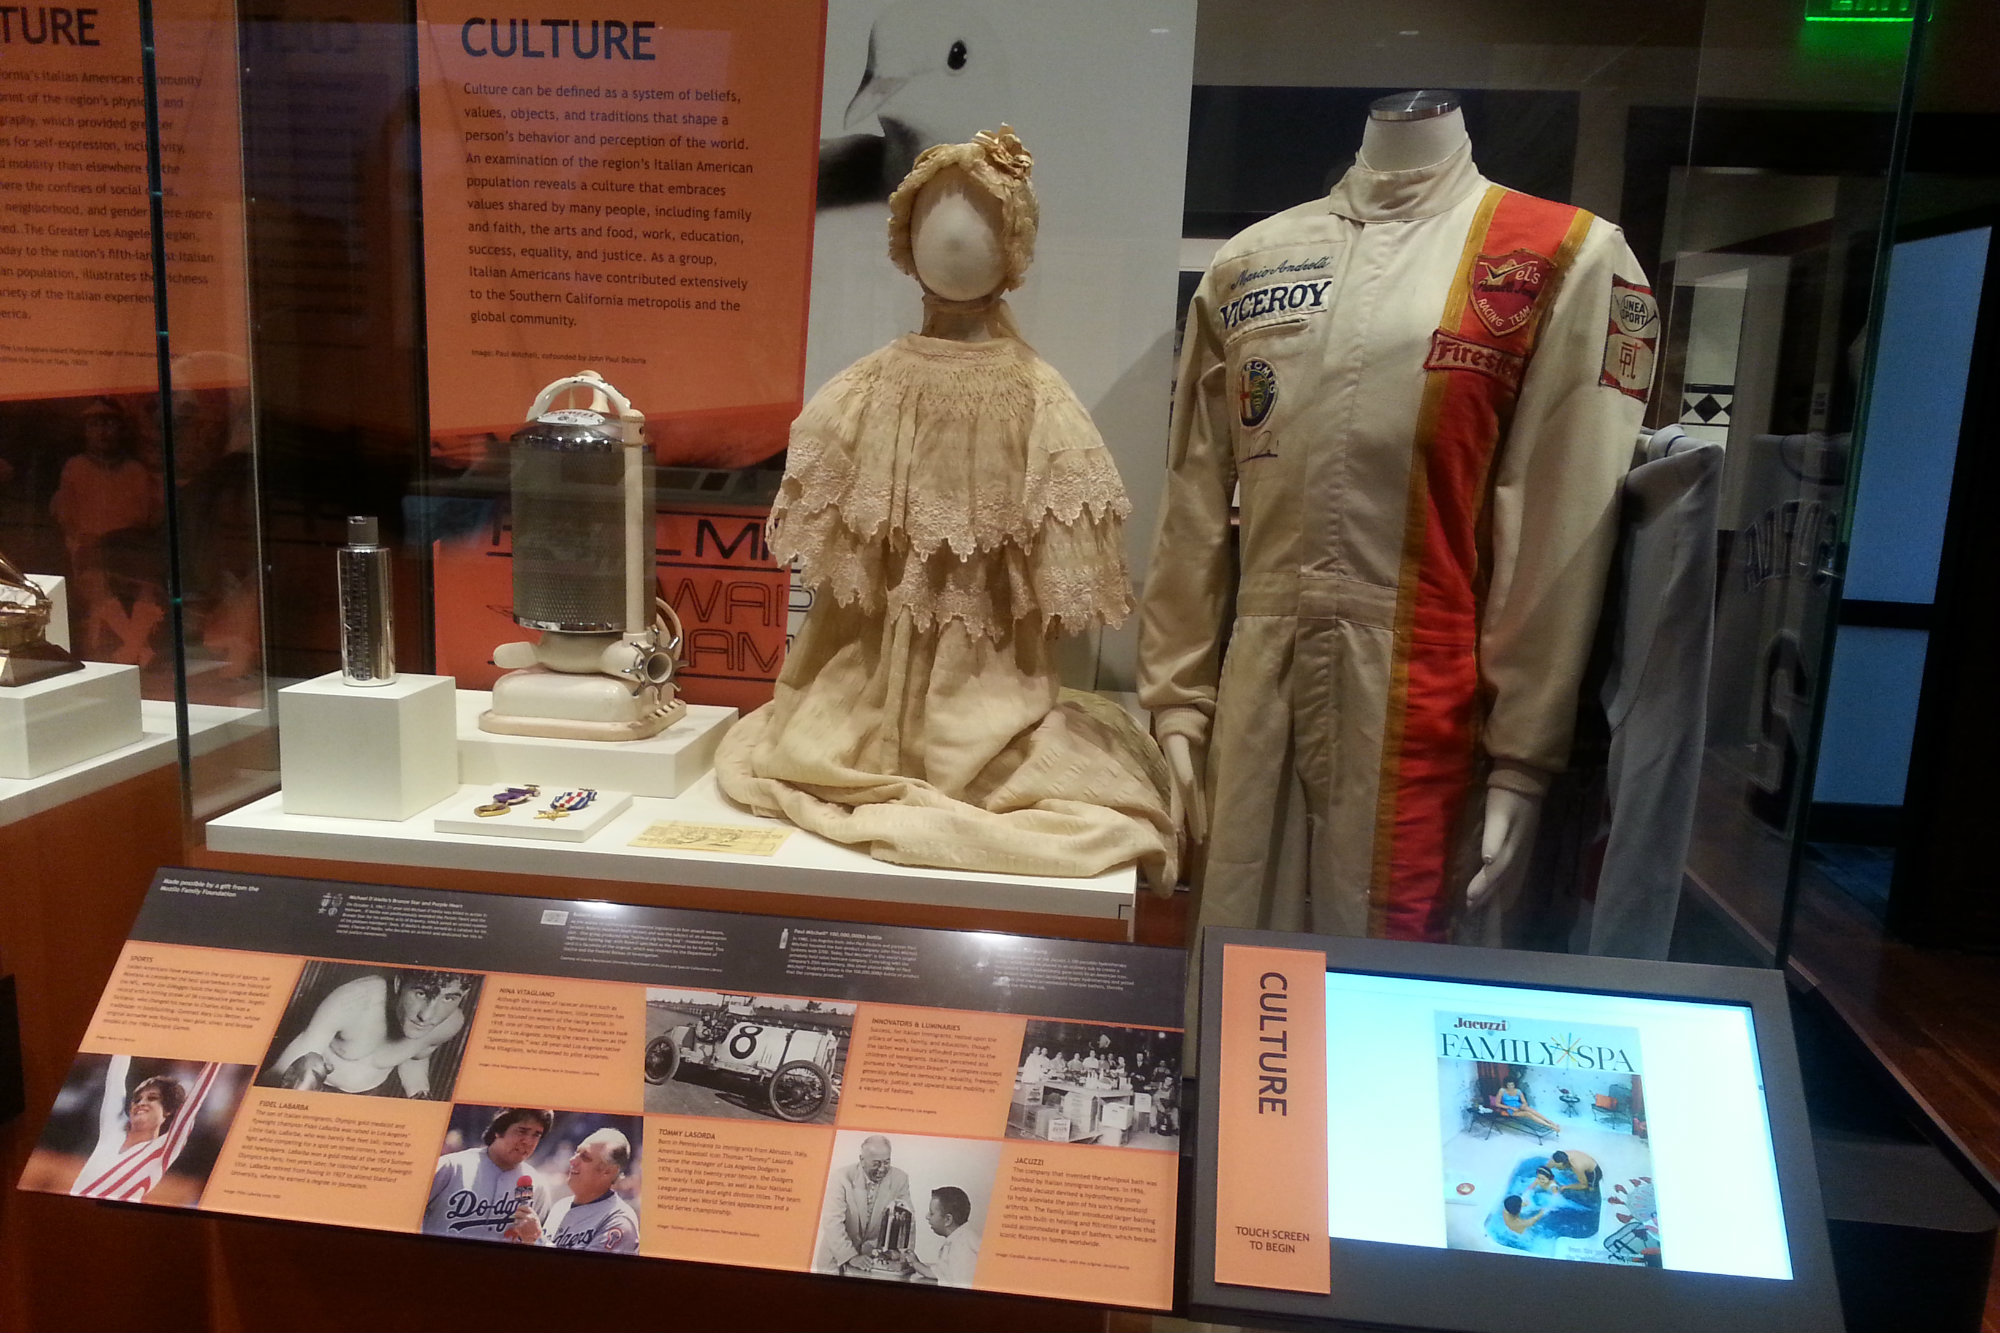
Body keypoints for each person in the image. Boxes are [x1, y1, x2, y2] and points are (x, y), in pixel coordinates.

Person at [260, 968, 476, 1098]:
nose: (427, 1016)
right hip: (311, 1093)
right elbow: (286, 1067)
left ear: (463, 995)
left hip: (365, 1101)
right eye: (420, 994)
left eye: (449, 998)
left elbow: (416, 1056)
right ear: (400, 984)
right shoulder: (355, 999)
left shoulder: (451, 1023)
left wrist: (419, 1095)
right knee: (308, 1067)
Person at [70, 1055, 222, 1202]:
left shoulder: (162, 1151)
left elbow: (191, 1106)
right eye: (137, 1099)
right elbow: (115, 1079)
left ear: (167, 1111)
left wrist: (217, 1060)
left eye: (152, 1098)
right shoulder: (112, 1128)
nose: (141, 1103)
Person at [423, 1108, 553, 1240]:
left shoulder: (538, 1186)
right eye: (522, 1131)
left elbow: (544, 1246)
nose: (528, 1141)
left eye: (536, 1134)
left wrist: (534, 1238)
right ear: (499, 1131)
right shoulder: (451, 1167)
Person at [510, 1128, 640, 1254]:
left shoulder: (619, 1220)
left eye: (585, 1157)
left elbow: (587, 1273)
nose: (572, 1161)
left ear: (608, 1171)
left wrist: (536, 1240)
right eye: (576, 1153)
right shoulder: (560, 1207)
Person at [816, 1135, 913, 1273]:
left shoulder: (900, 1179)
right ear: (862, 1160)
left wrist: (900, 1254)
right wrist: (852, 1257)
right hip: (835, 1259)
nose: (882, 1169)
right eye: (876, 1163)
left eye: (887, 1162)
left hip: (871, 1260)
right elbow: (832, 1223)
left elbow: (907, 1220)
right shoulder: (841, 1177)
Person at [899, 1186, 980, 1287]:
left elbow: (959, 1287)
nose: (927, 1216)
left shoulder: (963, 1246)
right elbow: (943, 1273)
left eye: (932, 1213)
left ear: (947, 1219)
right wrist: (915, 1263)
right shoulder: (960, 1239)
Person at [1493, 1079, 1560, 1133]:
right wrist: (1510, 1107)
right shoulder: (1502, 1090)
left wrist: (1523, 1105)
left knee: (1531, 1110)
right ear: (1506, 1085)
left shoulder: (1518, 1091)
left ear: (1514, 1084)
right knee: (1528, 1114)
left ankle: (1550, 1122)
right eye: (1509, 1085)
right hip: (1510, 1110)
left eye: (1512, 1085)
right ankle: (1550, 1126)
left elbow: (1524, 1101)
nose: (1510, 1087)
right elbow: (1497, 1104)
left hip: (1519, 1106)